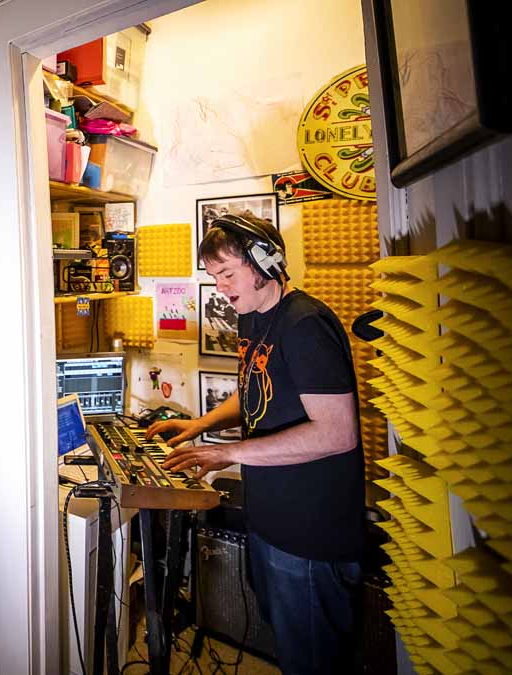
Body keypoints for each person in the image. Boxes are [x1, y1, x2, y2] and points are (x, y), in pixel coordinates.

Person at [146, 212, 364, 674]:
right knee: (291, 649)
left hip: (311, 536)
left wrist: (226, 452)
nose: (220, 287)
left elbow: (337, 432)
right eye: (214, 276)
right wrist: (200, 424)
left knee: (314, 662)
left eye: (227, 273)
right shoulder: (253, 317)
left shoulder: (305, 325)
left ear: (266, 262)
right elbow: (254, 392)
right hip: (271, 523)